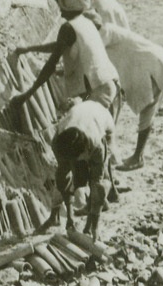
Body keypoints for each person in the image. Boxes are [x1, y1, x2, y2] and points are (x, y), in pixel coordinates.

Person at [11, 0, 120, 112]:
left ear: (68, 7)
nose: (59, 9)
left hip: (97, 91)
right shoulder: (85, 22)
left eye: (61, 5)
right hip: (110, 84)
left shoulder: (68, 28)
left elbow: (51, 63)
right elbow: (59, 46)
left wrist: (27, 94)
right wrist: (29, 49)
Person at [97, 24, 163, 170]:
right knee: (147, 113)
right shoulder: (109, 29)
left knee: (147, 112)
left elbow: (92, 57)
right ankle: (137, 157)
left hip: (150, 66)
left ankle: (138, 157)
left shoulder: (104, 34)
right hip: (154, 61)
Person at [49, 99, 115, 238]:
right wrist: (69, 216)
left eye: (78, 158)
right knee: (65, 174)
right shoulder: (58, 143)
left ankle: (92, 222)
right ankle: (60, 217)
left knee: (99, 181)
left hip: (101, 117)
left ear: (85, 150)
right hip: (79, 117)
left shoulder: (97, 144)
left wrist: (94, 227)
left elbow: (97, 183)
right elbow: (63, 176)